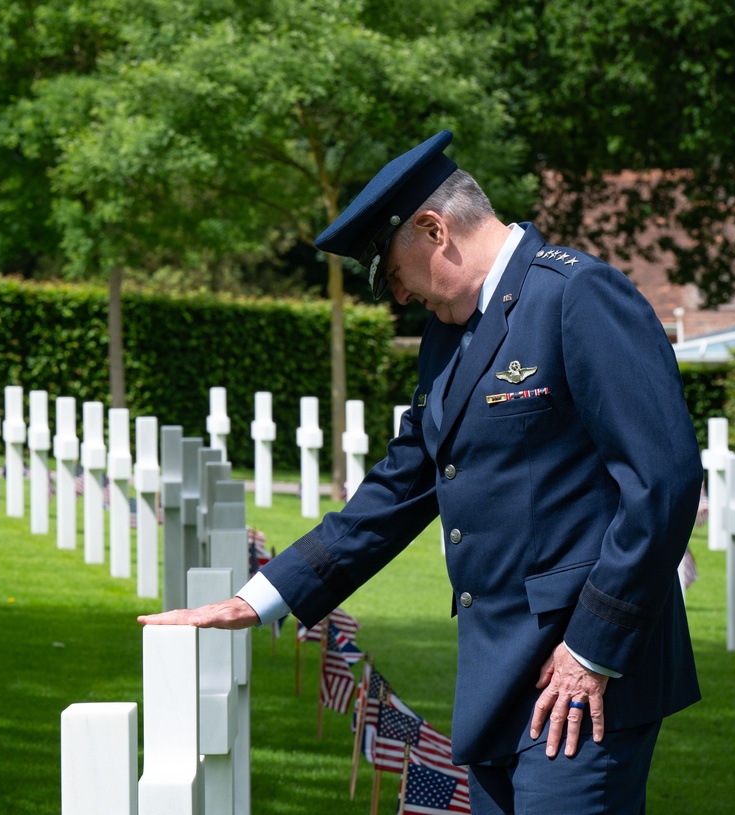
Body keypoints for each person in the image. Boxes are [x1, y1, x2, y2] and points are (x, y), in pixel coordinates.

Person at [139, 130, 702, 814]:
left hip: (584, 675)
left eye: (394, 272)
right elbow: (404, 482)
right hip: (501, 675)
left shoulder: (577, 295)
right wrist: (261, 597)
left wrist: (591, 650)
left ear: (434, 229)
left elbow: (663, 481)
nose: (400, 299)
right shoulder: (450, 332)